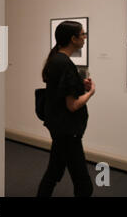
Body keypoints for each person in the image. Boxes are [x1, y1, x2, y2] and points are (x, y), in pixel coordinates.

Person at [37, 21, 96, 197]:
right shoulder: (65, 64)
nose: (85, 38)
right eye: (83, 35)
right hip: (68, 132)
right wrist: (91, 92)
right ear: (73, 39)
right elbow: (72, 105)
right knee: (84, 185)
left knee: (53, 173)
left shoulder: (56, 60)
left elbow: (61, 91)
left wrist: (79, 84)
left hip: (59, 128)